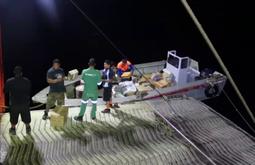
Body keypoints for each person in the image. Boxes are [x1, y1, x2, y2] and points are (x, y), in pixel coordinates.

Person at [4, 66, 31, 135]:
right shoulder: (27, 81)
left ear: (14, 73)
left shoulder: (9, 81)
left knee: (13, 117)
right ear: (21, 73)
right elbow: (29, 90)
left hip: (14, 104)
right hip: (25, 103)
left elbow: (5, 91)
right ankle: (28, 128)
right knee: (26, 117)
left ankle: (13, 129)